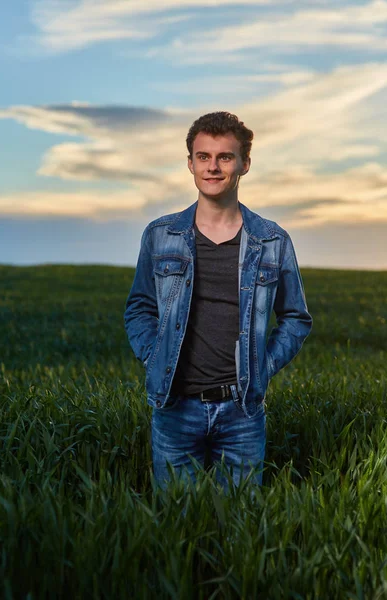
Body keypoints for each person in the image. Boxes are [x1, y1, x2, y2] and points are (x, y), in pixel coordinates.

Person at [124, 111, 312, 490]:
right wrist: (154, 353)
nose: (213, 167)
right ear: (190, 163)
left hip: (242, 410)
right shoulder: (161, 236)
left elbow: (295, 317)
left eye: (225, 157)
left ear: (244, 164)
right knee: (178, 526)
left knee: (238, 527)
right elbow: (139, 308)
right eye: (203, 157)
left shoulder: (272, 241)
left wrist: (263, 365)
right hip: (174, 407)